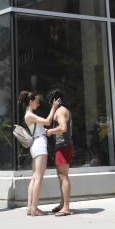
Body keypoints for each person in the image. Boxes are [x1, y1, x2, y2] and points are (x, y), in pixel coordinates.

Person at [18, 90, 58, 216]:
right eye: (36, 101)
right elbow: (47, 121)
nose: (38, 103)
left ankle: (30, 207)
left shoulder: (28, 114)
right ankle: (34, 207)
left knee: (35, 176)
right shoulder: (30, 114)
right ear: (30, 101)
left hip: (36, 143)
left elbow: (41, 126)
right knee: (38, 177)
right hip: (39, 144)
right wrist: (54, 107)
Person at [45, 88, 73, 216]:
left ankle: (66, 207)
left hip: (64, 146)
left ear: (54, 100)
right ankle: (63, 204)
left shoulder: (60, 111)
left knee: (63, 176)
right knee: (61, 176)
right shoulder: (64, 110)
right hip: (63, 146)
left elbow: (62, 128)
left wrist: (50, 131)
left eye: (50, 102)